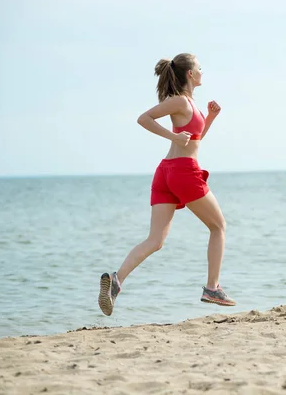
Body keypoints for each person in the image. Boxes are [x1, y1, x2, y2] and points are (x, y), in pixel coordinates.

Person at [98, 53, 236, 316]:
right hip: (183, 172)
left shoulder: (191, 104)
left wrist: (210, 118)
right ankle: (212, 288)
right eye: (199, 67)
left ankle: (116, 281)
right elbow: (144, 118)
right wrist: (170, 134)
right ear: (190, 74)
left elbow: (192, 139)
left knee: (155, 240)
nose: (202, 71)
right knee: (218, 227)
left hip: (167, 173)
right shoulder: (179, 101)